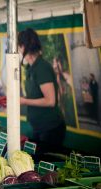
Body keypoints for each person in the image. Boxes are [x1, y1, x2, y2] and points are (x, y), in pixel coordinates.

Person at [17, 28, 66, 161]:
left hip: (50, 128)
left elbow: (50, 101)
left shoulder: (42, 67)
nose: (18, 50)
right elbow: (36, 95)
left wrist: (24, 101)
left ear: (23, 46)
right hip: (39, 127)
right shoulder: (31, 68)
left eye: (19, 46)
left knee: (47, 165)